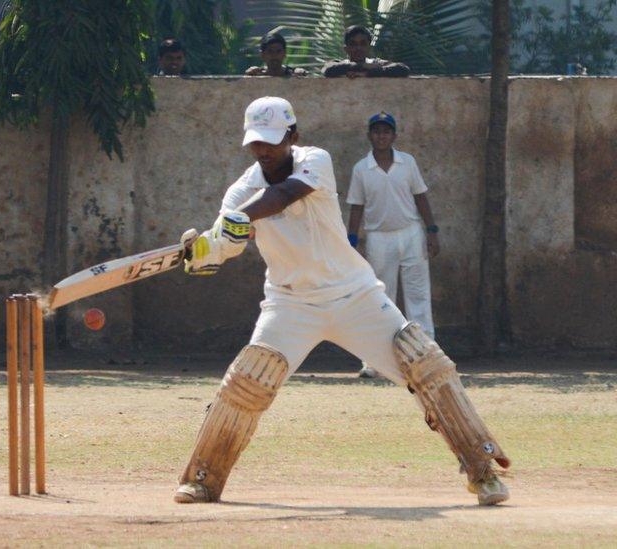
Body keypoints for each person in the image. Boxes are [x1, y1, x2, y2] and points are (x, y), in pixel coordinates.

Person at [173, 97, 510, 507]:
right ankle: (203, 478)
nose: (263, 151)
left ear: (292, 136)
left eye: (272, 142)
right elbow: (226, 243)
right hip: (290, 304)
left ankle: (482, 469)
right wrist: (206, 250)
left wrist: (239, 220)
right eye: (256, 143)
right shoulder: (241, 191)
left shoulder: (315, 160)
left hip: (355, 295)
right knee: (247, 380)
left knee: (425, 364)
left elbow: (284, 195)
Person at [347, 112, 439, 379]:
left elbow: (420, 196)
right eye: (376, 132)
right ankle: (375, 361)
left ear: (394, 136)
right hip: (378, 238)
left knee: (418, 296)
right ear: (370, 136)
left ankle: (426, 355)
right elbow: (356, 206)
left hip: (411, 233)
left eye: (386, 132)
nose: (382, 136)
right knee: (381, 300)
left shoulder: (407, 163)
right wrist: (352, 240)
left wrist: (431, 230)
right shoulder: (361, 169)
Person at [322, 25, 410, 78]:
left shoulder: (376, 63)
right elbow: (327, 70)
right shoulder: (338, 65)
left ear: (369, 47)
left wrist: (367, 73)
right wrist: (364, 66)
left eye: (363, 44)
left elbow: (403, 69)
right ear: (346, 49)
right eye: (353, 44)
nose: (358, 48)